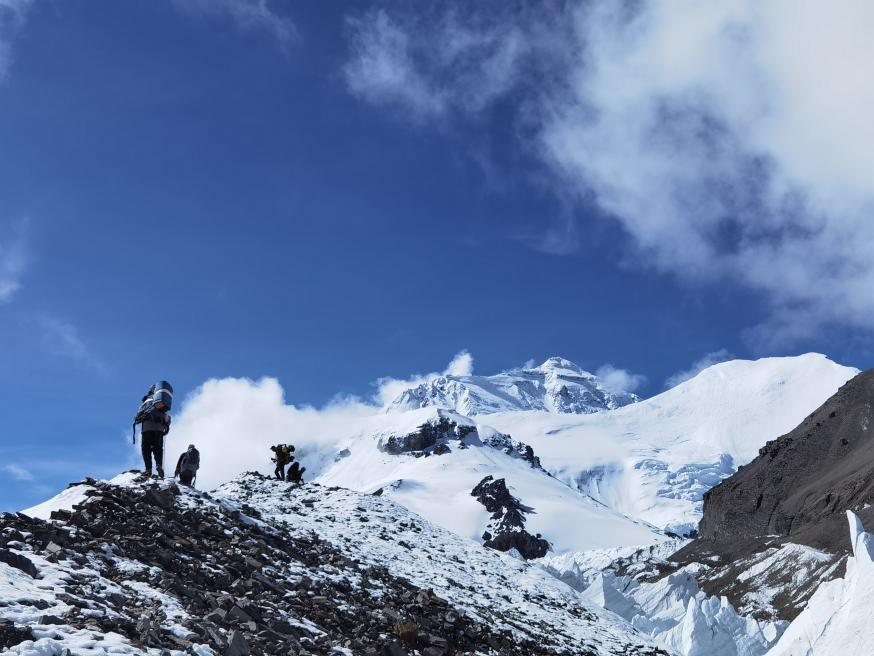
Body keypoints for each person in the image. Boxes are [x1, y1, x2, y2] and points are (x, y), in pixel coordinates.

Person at [135, 388, 171, 477]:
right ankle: (159, 464)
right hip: (159, 430)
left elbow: (137, 417)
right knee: (158, 449)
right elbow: (167, 418)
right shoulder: (161, 402)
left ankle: (148, 469)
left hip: (147, 429)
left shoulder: (145, 402)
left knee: (146, 449)